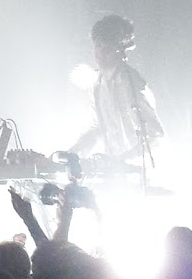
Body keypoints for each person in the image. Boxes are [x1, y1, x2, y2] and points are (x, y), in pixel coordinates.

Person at [69, 15, 163, 167]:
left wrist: (124, 159)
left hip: (138, 171)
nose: (100, 52)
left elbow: (156, 136)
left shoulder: (131, 82)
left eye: (107, 48)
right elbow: (96, 128)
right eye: (97, 45)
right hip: (115, 171)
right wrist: (72, 153)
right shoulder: (96, 84)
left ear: (120, 50)